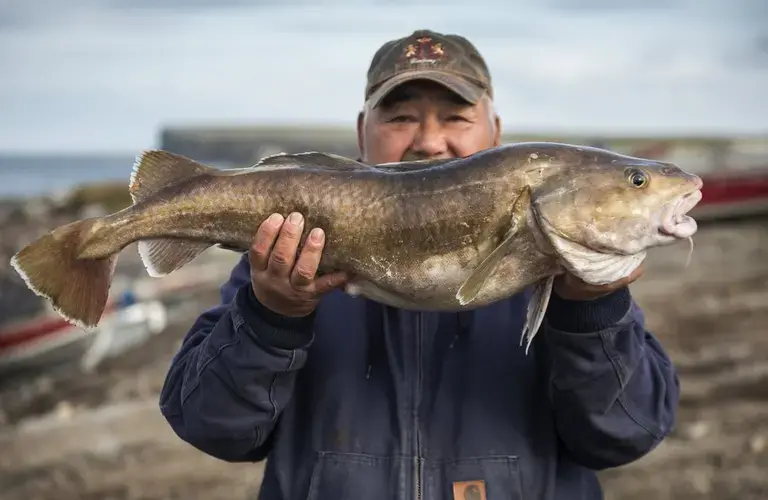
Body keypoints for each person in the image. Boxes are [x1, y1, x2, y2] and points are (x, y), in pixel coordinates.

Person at [159, 29, 680, 499]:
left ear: (495, 133)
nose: (430, 141)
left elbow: (626, 434)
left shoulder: (561, 276)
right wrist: (271, 316)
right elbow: (212, 427)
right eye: (402, 117)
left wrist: (590, 314)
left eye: (456, 117)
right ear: (363, 133)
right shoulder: (280, 263)